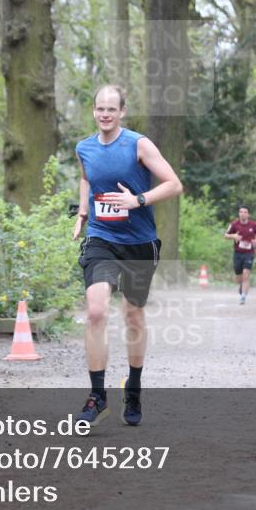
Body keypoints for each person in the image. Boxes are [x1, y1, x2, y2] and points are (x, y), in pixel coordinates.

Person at [72, 84, 183, 426]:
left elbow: (174, 184)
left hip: (139, 242)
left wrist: (138, 200)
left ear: (122, 112)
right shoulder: (84, 148)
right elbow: (87, 179)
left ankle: (133, 386)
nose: (105, 114)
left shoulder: (138, 144)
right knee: (95, 311)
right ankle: (97, 396)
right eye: (99, 109)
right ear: (94, 112)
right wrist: (82, 214)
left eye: (111, 109)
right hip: (101, 239)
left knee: (132, 314)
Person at [224, 205, 256, 305]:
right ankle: (241, 284)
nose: (243, 214)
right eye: (241, 212)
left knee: (246, 274)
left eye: (245, 212)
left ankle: (243, 297)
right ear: (239, 213)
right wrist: (234, 236)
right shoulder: (234, 224)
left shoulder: (253, 225)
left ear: (248, 214)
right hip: (238, 253)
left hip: (249, 253)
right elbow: (225, 235)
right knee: (238, 276)